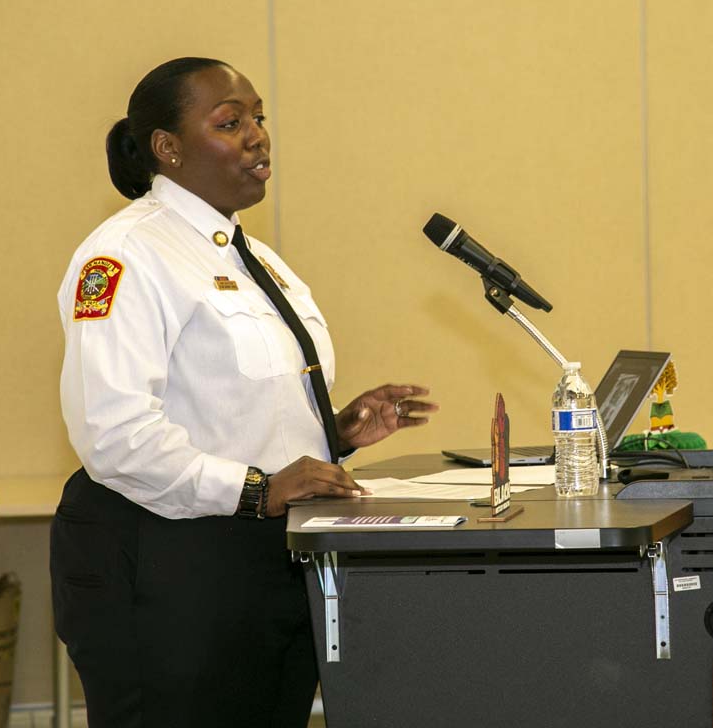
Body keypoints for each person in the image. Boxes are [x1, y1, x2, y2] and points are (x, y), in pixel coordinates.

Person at [50, 57, 437, 727]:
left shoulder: (252, 259)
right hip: (164, 566)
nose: (258, 136)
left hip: (260, 562)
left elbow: (226, 406)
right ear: (168, 149)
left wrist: (333, 432)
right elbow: (114, 434)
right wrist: (258, 489)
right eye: (231, 123)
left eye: (258, 117)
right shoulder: (126, 257)